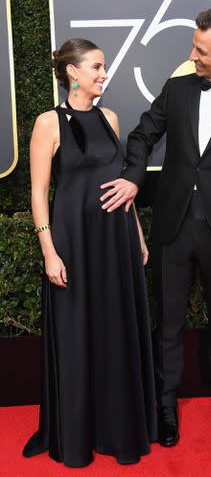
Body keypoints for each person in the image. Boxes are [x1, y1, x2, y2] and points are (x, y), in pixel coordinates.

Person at [100, 9, 211, 447]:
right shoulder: (177, 89)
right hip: (172, 227)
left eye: (201, 50)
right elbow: (142, 135)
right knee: (169, 324)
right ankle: (165, 408)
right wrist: (134, 176)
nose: (192, 55)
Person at [22, 38, 157, 467]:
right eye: (96, 67)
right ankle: (76, 431)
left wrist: (135, 233)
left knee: (114, 329)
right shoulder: (47, 123)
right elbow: (40, 193)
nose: (103, 74)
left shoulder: (111, 118)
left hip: (115, 240)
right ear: (72, 72)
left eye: (104, 67)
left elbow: (121, 186)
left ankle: (115, 428)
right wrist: (49, 251)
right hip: (74, 242)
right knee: (78, 332)